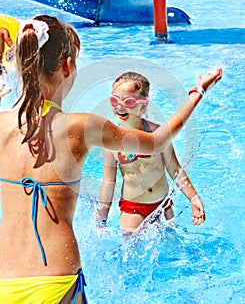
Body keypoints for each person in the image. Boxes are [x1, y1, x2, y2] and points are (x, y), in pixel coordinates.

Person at [0, 15, 222, 303]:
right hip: (56, 276)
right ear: (67, 66)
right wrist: (198, 92)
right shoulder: (81, 125)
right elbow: (158, 141)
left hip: (4, 276)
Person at [96, 72, 208, 236]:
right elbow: (108, 182)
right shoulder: (110, 142)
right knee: (131, 254)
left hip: (162, 205)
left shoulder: (157, 134)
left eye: (128, 101)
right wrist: (101, 222)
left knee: (173, 250)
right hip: (132, 207)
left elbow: (174, 169)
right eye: (114, 100)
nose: (120, 106)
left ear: (143, 105)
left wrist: (193, 198)